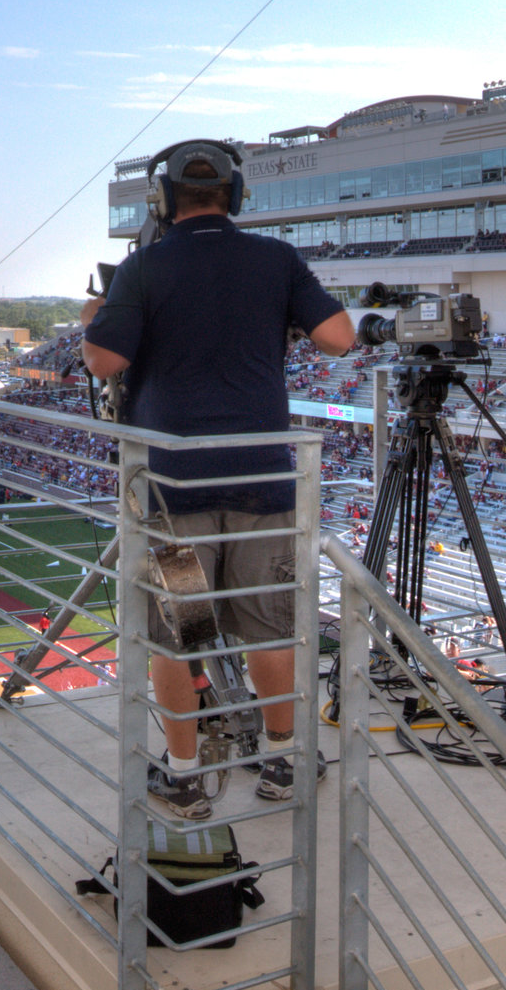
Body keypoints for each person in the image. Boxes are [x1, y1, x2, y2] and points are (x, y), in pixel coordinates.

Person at [81, 138, 355, 819]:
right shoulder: (278, 259)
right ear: (234, 197)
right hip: (264, 478)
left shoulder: (142, 267)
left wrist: (98, 313)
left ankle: (182, 773)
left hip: (176, 489)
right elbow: (341, 336)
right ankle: (283, 760)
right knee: (267, 625)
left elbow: (101, 360)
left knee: (178, 632)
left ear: (163, 200)